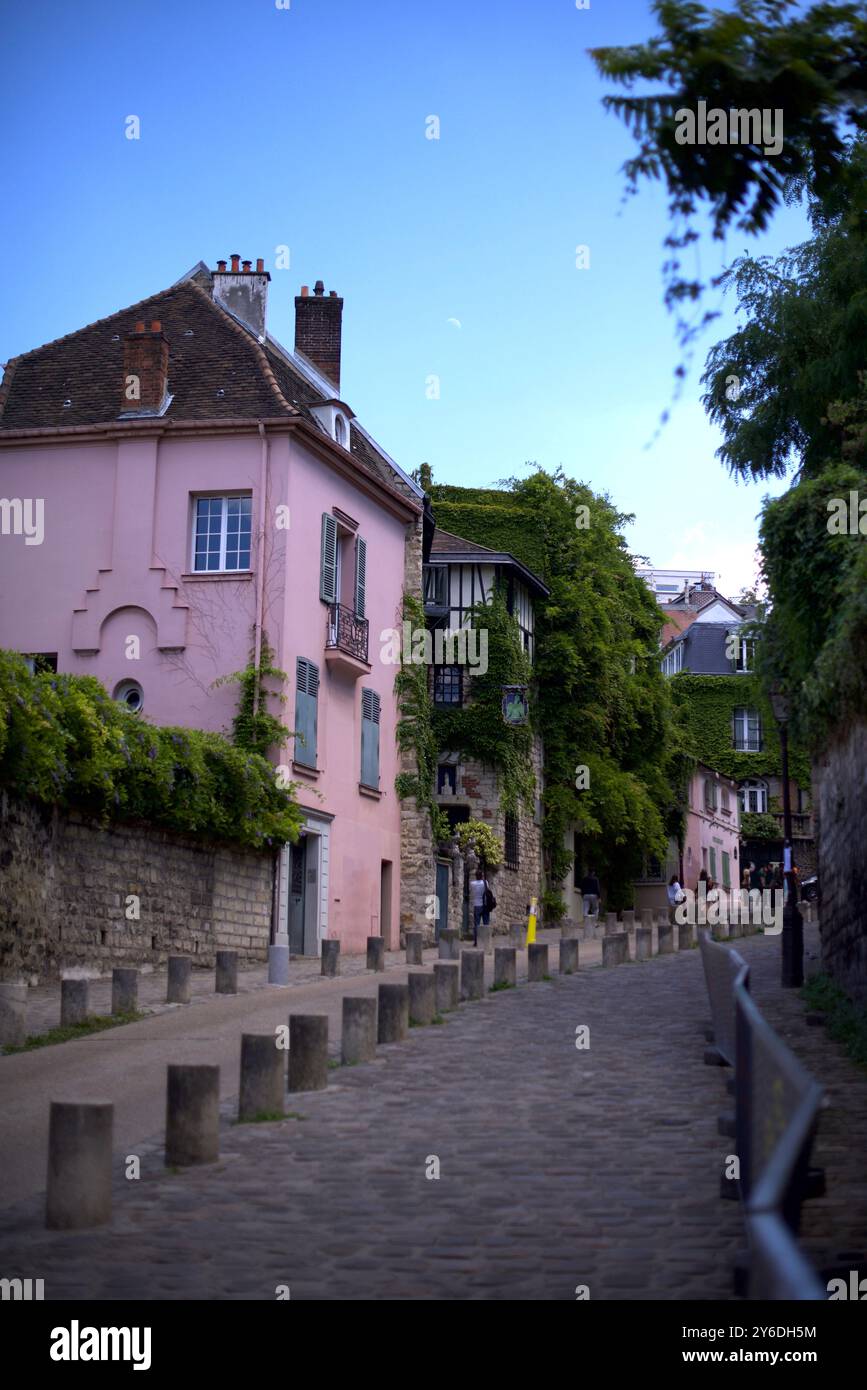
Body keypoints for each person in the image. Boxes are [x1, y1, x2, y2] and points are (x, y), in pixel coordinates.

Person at [468, 868, 491, 947]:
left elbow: (471, 891)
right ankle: (486, 940)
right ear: (482, 876)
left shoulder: (472, 884)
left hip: (476, 905)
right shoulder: (485, 883)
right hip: (485, 905)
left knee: (476, 924)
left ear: (475, 876)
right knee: (486, 924)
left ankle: (476, 941)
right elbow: (488, 891)